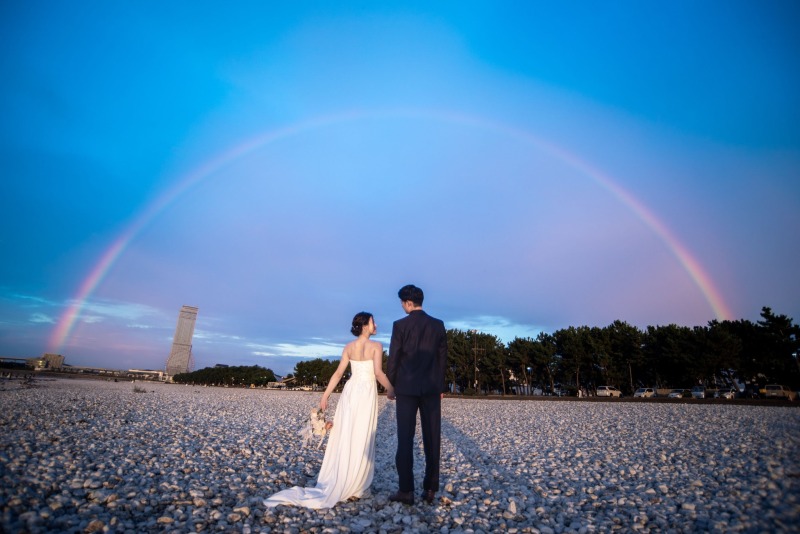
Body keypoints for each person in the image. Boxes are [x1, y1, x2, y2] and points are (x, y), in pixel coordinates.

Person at [263, 312, 395, 509]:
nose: (376, 324)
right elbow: (377, 373)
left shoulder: (349, 347)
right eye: (373, 321)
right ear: (365, 325)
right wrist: (392, 388)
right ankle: (359, 486)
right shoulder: (376, 346)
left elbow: (338, 373)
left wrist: (325, 396)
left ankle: (346, 478)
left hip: (350, 392)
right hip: (366, 392)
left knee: (347, 434)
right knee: (362, 434)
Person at [387, 284, 448, 505]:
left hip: (406, 389)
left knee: (405, 439)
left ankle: (406, 490)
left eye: (402, 303)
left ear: (408, 302)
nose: (402, 306)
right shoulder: (438, 325)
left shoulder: (400, 325)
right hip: (431, 389)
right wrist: (440, 387)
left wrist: (391, 385)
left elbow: (394, 358)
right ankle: (430, 489)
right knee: (432, 438)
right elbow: (442, 360)